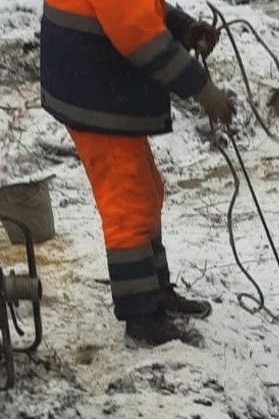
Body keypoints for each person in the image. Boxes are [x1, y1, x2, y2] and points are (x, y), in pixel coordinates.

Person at [39, 0, 235, 346]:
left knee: (146, 191)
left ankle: (156, 295)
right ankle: (142, 318)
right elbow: (139, 36)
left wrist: (181, 26)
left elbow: (142, 9)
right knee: (127, 204)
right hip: (95, 96)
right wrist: (204, 91)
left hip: (100, 88)